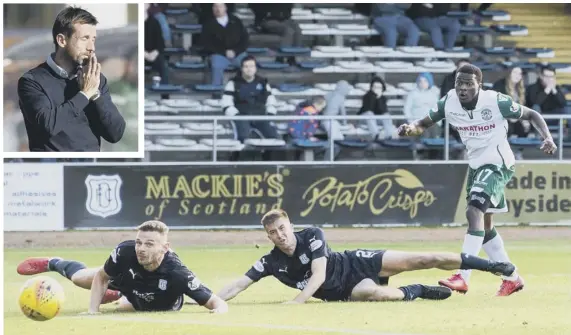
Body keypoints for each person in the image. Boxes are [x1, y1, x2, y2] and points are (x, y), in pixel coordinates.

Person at [397, 64, 557, 296]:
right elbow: (422, 124)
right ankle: (511, 276)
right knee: (485, 226)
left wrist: (548, 138)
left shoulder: (495, 101)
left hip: (497, 162)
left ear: (479, 85)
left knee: (474, 212)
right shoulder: (448, 102)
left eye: (468, 84)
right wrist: (409, 128)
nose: (463, 88)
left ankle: (463, 275)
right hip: (476, 165)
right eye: (459, 83)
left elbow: (532, 114)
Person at [216, 209, 517, 304]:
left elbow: (318, 274)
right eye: (273, 232)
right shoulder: (271, 262)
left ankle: (492, 265)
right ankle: (419, 291)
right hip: (346, 290)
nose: (279, 235)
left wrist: (296, 302)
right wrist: (210, 299)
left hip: (356, 262)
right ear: (268, 236)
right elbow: (239, 284)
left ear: (290, 225)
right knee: (377, 294)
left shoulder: (312, 235)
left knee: (424, 258)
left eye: (282, 228)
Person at [16, 220, 228, 314]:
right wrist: (93, 311)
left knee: (123, 306)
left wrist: (218, 311)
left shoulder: (178, 273)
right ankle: (53, 262)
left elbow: (217, 302)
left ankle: (115, 294)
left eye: (149, 244)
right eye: (138, 242)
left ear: (165, 248)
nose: (141, 248)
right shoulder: (125, 252)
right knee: (80, 279)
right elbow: (101, 275)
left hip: (150, 302)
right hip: (128, 280)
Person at [17, 6, 126, 152]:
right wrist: (84, 95)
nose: (91, 47)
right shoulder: (32, 81)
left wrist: (95, 95)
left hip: (89, 168)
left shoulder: (95, 79)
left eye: (93, 39)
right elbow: (48, 125)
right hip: (50, 169)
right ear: (62, 40)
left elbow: (116, 134)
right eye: (85, 39)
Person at [221, 55, 279, 143]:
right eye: (246, 66)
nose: (249, 69)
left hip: (261, 116)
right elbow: (226, 103)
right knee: (243, 137)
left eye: (252, 66)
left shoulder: (263, 82)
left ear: (255, 68)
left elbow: (271, 101)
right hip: (242, 117)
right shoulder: (233, 83)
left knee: (273, 136)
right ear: (241, 68)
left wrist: (270, 115)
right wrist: (236, 116)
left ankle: (269, 156)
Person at [201, 3, 249, 86]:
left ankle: (247, 90)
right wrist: (224, 52)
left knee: (248, 64)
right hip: (218, 54)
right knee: (216, 65)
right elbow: (207, 43)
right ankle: (216, 93)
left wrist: (235, 51)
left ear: (225, 8)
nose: (217, 9)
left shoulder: (236, 21)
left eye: (220, 6)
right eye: (215, 7)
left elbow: (245, 39)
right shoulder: (208, 24)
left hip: (238, 54)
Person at [526, 65, 569, 131]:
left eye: (551, 77)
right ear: (541, 76)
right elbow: (534, 103)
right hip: (539, 115)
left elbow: (563, 104)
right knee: (536, 107)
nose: (549, 79)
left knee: (568, 109)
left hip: (554, 115)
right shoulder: (532, 88)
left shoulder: (556, 88)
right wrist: (547, 90)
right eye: (546, 76)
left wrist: (554, 90)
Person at [403, 72, 441, 138]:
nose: (422, 83)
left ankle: (435, 147)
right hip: (416, 121)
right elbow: (406, 109)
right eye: (420, 81)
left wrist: (438, 122)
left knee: (435, 132)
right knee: (424, 133)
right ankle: (422, 148)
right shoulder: (412, 94)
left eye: (425, 81)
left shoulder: (433, 94)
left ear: (429, 82)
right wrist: (410, 121)